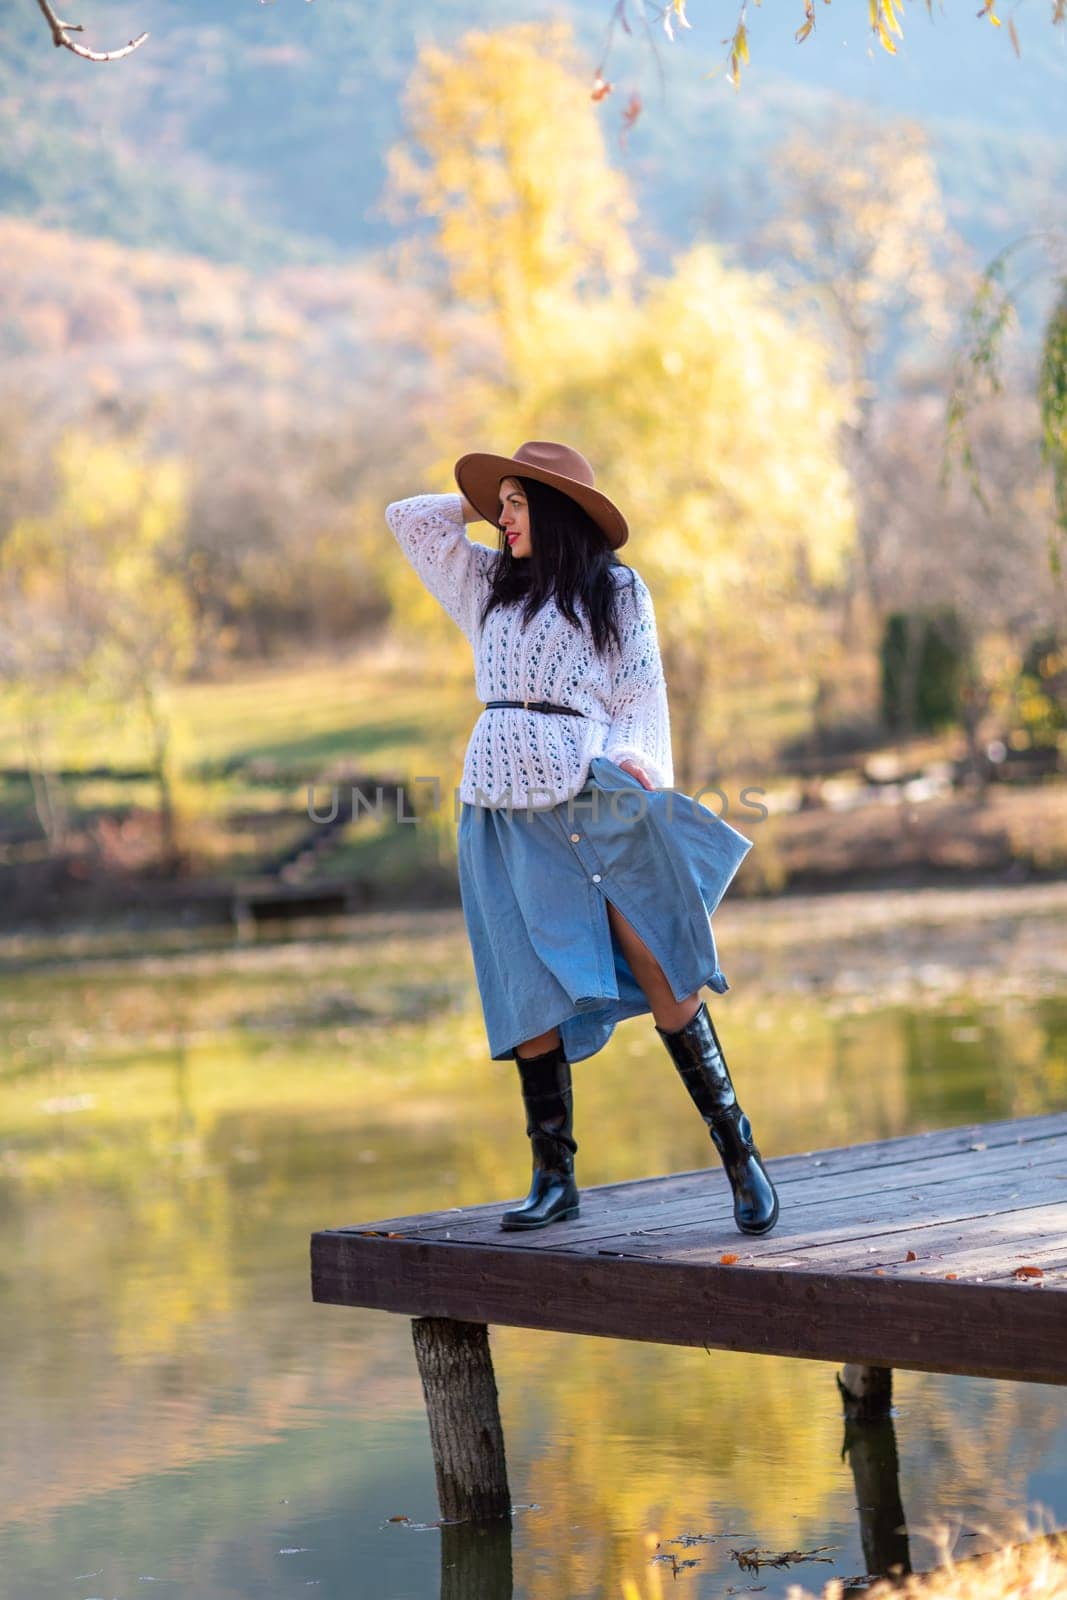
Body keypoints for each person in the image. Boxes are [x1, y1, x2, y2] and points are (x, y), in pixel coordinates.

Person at [384, 441, 779, 1237]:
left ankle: (739, 1155)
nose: (501, 519)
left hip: (593, 790)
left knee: (659, 957)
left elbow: (639, 692)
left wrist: (634, 761)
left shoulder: (616, 590)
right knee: (523, 980)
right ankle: (554, 1178)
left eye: (517, 505)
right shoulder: (488, 586)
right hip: (499, 803)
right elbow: (411, 521)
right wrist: (488, 495)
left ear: (556, 510)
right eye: (500, 506)